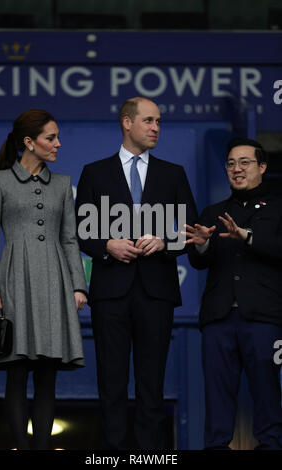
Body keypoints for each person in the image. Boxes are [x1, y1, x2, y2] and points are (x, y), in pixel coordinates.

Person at [75, 96, 197, 449]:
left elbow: (191, 231)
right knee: (110, 384)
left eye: (158, 121)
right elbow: (81, 231)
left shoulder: (173, 173)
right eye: (148, 121)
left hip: (156, 291)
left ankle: (151, 455)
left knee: (152, 385)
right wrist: (107, 245)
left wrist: (164, 241)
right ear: (126, 123)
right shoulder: (95, 172)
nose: (156, 127)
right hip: (111, 292)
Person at [0, 109, 87, 450]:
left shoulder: (61, 184)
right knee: (17, 368)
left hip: (55, 280)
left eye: (57, 137)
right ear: (29, 142)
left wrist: (77, 285)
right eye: (50, 138)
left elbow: (70, 238)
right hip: (12, 279)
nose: (58, 144)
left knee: (47, 371)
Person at [185, 137, 282, 450]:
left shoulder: (279, 208)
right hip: (218, 317)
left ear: (262, 167)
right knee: (216, 396)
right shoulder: (213, 212)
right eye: (230, 163)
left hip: (265, 317)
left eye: (245, 162)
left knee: (268, 393)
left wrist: (247, 237)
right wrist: (201, 242)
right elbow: (199, 262)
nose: (236, 169)